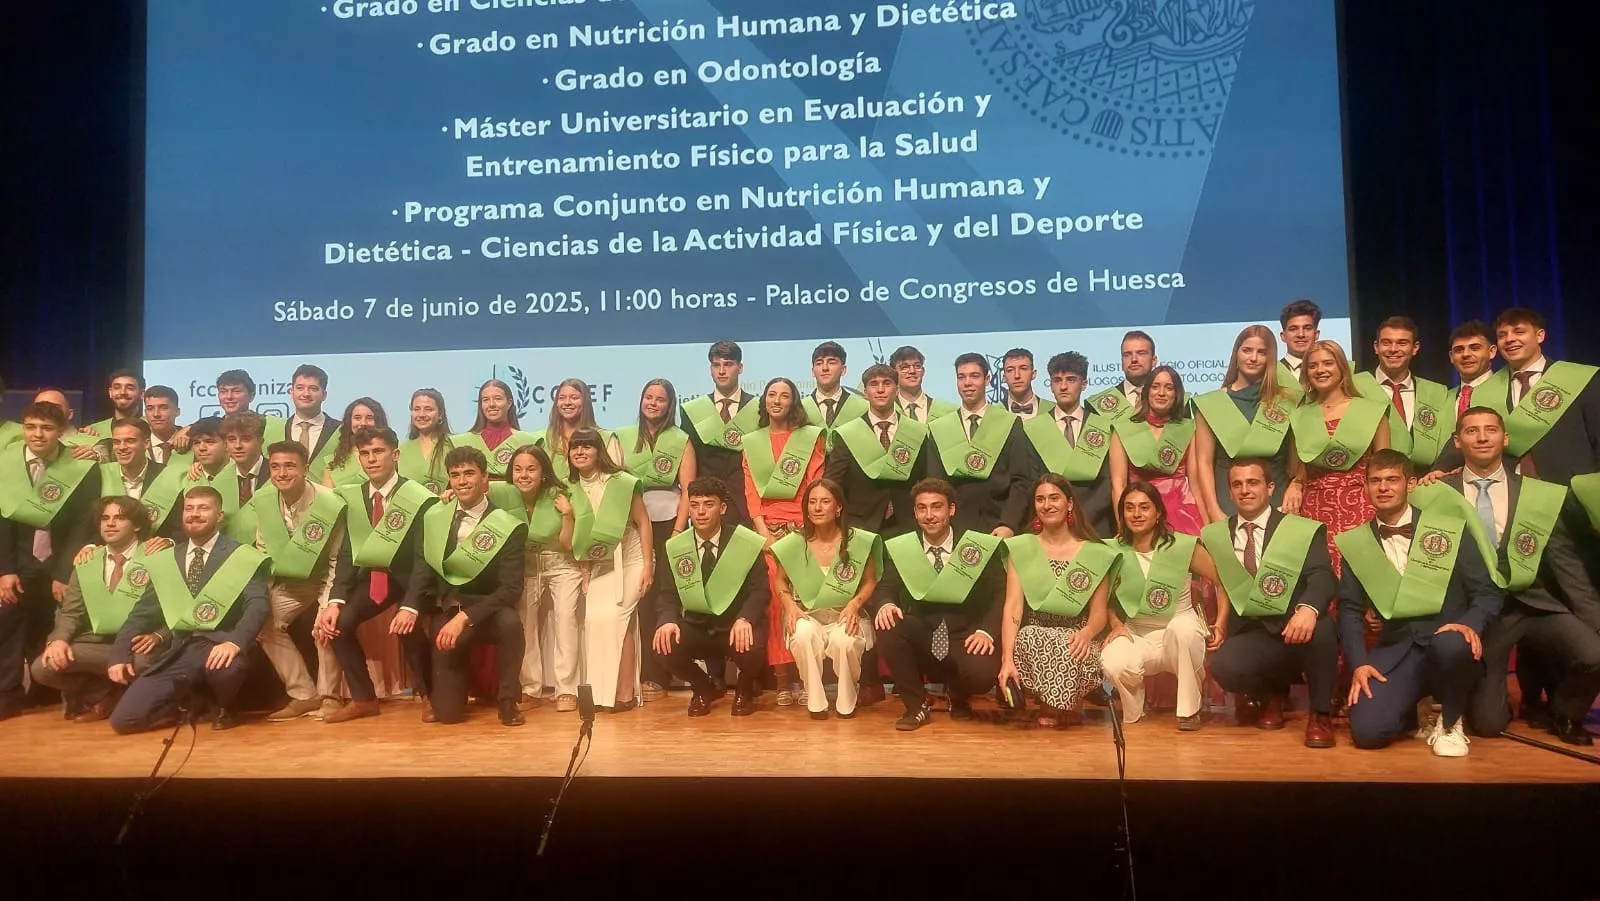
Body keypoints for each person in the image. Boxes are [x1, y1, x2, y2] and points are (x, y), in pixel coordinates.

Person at [1413, 408, 1600, 745]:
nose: (1482, 437)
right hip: (1483, 613)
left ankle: (1565, 712)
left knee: (1594, 651)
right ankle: (1481, 699)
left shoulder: (1535, 494)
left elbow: (1565, 563)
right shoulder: (1437, 493)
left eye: (1490, 430)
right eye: (1472, 431)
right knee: (1488, 724)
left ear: (1505, 438)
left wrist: (1595, 618)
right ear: (1458, 441)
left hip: (1534, 603)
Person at [1336, 450, 1504, 755]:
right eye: (1375, 481)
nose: (1383, 487)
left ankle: (1451, 723)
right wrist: (1359, 664)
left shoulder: (1448, 529)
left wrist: (1468, 625)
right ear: (1365, 488)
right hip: (1400, 650)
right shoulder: (1356, 543)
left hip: (1451, 648)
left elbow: (1487, 593)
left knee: (1455, 653)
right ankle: (1412, 707)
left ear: (1410, 484)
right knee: (1368, 734)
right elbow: (1348, 609)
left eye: (1392, 480)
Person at [106, 486, 270, 733]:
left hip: (220, 643)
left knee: (226, 671)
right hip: (180, 648)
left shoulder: (241, 555)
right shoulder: (166, 559)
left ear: (220, 515)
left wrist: (235, 643)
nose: (194, 514)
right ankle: (196, 703)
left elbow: (258, 604)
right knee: (123, 721)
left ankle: (225, 705)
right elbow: (142, 612)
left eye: (204, 508)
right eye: (189, 509)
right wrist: (119, 655)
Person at [1201, 458, 1339, 747]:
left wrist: (1308, 609)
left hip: (1298, 625)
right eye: (1237, 484)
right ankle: (1271, 694)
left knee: (1323, 628)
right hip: (1255, 631)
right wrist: (1219, 624)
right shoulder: (1215, 535)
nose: (1245, 490)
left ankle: (1320, 715)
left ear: (1270, 487)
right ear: (1229, 491)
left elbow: (1324, 576)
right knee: (1224, 666)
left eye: (1253, 482)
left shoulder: (1300, 528)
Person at [318, 427, 440, 723]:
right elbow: (348, 554)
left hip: (413, 578)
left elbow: (424, 559)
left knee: (407, 627)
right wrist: (334, 601)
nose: (371, 459)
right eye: (365, 453)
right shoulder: (355, 497)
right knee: (338, 624)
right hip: (374, 579)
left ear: (395, 454)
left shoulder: (417, 497)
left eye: (378, 451)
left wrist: (411, 605)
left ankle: (430, 697)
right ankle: (364, 699)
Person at [875, 478, 1005, 730]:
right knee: (888, 624)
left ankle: (958, 696)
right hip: (923, 635)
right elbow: (884, 588)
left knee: (983, 671)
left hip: (965, 636)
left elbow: (1002, 592)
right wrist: (885, 604)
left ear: (951, 509)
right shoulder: (905, 548)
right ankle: (916, 706)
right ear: (914, 512)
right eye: (922, 508)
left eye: (937, 507)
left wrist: (986, 630)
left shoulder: (975, 547)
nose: (929, 515)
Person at [409, 446, 527, 726]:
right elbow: (422, 569)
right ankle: (456, 691)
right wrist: (409, 606)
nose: (462, 481)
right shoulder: (435, 518)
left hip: (488, 610)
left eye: (469, 474)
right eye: (455, 475)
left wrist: (467, 617)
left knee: (512, 624)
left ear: (485, 478)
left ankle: (508, 700)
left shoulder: (508, 526)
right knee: (448, 716)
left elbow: (511, 589)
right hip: (449, 610)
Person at [0, 401, 103, 719]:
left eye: (46, 428)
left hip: (61, 559)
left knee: (52, 627)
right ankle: (8, 694)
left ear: (61, 433)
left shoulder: (80, 466)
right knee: (10, 625)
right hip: (19, 560)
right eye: (30, 427)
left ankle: (46, 694)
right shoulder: (5, 463)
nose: (37, 434)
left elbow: (83, 524)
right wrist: (5, 570)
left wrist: (63, 571)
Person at [1102, 483, 1229, 731]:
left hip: (1179, 627)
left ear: (1158, 512)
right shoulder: (1112, 550)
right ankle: (1134, 711)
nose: (1136, 514)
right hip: (1137, 632)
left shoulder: (1183, 546)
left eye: (1144, 507)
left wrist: (1221, 624)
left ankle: (1189, 711)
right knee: (1112, 660)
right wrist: (1116, 624)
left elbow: (1223, 582)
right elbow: (1103, 597)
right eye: (1129, 508)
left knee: (1183, 632)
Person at [994, 475, 1117, 728]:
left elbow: (1098, 614)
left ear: (1069, 504)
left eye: (1054, 498)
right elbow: (1013, 606)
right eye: (1040, 499)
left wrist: (1086, 633)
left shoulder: (1095, 552)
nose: (1046, 505)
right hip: (1035, 636)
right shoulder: (1022, 548)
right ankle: (1060, 704)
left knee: (1068, 643)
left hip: (1079, 637)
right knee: (1031, 636)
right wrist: (1007, 659)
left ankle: (1059, 703)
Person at [29, 496, 155, 723]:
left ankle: (127, 698)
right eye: (105, 518)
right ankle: (107, 693)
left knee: (145, 663)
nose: (110, 523)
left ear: (136, 525)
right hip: (96, 643)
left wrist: (159, 635)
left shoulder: (155, 556)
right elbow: (71, 611)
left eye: (120, 518)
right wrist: (58, 640)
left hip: (136, 644)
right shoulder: (87, 561)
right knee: (43, 668)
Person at [249, 441, 349, 722]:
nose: (282, 473)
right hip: (291, 581)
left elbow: (335, 561)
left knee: (324, 625)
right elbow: (263, 551)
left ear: (306, 468)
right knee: (262, 623)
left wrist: (328, 604)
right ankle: (304, 695)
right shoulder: (265, 500)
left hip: (327, 578)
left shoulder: (329, 502)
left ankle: (330, 695)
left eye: (290, 466)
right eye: (275, 466)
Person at [653, 477, 769, 716]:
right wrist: (668, 620)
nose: (701, 512)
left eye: (708, 504)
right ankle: (703, 687)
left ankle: (744, 689)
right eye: (694, 505)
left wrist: (745, 618)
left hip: (734, 625)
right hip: (698, 625)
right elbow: (667, 594)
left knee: (754, 643)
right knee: (663, 644)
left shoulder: (745, 542)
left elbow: (760, 591)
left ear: (722, 508)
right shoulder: (675, 547)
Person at [741, 377, 825, 704]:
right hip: (768, 532)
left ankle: (807, 678)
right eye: (772, 395)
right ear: (764, 401)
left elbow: (815, 485)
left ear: (794, 402)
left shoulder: (809, 439)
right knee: (778, 603)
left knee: (803, 601)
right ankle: (782, 681)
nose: (777, 400)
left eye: (785, 395)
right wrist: (762, 532)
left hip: (804, 529)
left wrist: (806, 528)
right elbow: (751, 491)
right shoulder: (752, 441)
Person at [770, 479, 880, 719]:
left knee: (845, 641)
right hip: (807, 613)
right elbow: (779, 580)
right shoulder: (794, 543)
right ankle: (816, 700)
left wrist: (854, 603)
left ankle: (847, 697)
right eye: (812, 502)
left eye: (825, 501)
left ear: (838, 507)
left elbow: (870, 580)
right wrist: (789, 605)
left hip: (845, 613)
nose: (817, 508)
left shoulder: (858, 542)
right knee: (802, 634)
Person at [615, 379, 696, 703]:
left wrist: (679, 529)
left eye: (660, 399)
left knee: (662, 596)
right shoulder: (620, 436)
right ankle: (634, 673)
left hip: (668, 525)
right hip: (631, 524)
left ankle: (659, 673)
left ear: (670, 404)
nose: (653, 403)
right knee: (638, 599)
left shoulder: (681, 440)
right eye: (648, 397)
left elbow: (688, 490)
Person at [1284, 340, 1391, 573]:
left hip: (1361, 504)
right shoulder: (1300, 416)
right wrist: (1295, 483)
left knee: (1362, 575)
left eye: (1327, 363)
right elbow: (1299, 468)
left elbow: (1385, 467)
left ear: (1342, 367)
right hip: (1314, 508)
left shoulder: (1371, 411)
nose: (1320, 370)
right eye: (1313, 366)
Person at [491, 444, 580, 712]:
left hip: (561, 565)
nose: (523, 475)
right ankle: (530, 688)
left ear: (543, 472)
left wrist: (567, 514)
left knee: (566, 620)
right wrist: (448, 493)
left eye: (531, 469)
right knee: (524, 626)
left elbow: (567, 544)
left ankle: (567, 690)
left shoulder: (560, 494)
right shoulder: (503, 494)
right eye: (517, 469)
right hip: (525, 568)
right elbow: (473, 486)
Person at [567, 427, 651, 711]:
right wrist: (585, 568)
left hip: (631, 559)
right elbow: (575, 538)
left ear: (598, 450)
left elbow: (643, 522)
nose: (580, 451)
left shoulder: (621, 482)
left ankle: (624, 694)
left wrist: (649, 565)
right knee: (595, 623)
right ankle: (602, 696)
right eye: (575, 447)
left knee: (618, 618)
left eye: (586, 446)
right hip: (599, 565)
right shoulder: (570, 489)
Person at [926, 353, 1038, 537]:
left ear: (987, 379)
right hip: (953, 529)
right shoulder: (939, 428)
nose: (967, 383)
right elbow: (934, 485)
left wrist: (1008, 524)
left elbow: (1022, 480)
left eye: (974, 376)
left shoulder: (1009, 423)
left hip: (1000, 527)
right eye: (961, 377)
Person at [1192, 325, 1296, 521]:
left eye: (1261, 352)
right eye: (1247, 350)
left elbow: (1295, 461)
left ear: (1270, 358)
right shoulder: (1211, 403)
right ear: (1236, 354)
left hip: (1278, 501)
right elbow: (1203, 464)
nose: (1253, 358)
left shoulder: (1285, 401)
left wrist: (1297, 485)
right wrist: (1213, 510)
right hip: (1227, 502)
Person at [1018, 351, 1117, 536]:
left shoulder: (1101, 426)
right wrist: (1058, 517)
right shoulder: (1034, 429)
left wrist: (1081, 517)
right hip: (1051, 525)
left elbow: (1108, 481)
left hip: (1096, 525)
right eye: (1057, 380)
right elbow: (1032, 479)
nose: (1063, 386)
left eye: (1071, 380)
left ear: (1084, 384)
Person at [1110, 365, 1203, 536]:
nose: (1161, 393)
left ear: (1177, 395)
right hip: (1140, 514)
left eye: (1169, 388)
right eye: (1155, 386)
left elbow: (1196, 484)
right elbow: (1119, 486)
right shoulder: (1123, 430)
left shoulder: (1188, 429)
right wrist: (1122, 528)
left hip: (1183, 514)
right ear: (1146, 392)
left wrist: (1207, 525)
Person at [1353, 317, 1452, 469]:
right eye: (1386, 342)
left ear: (1415, 348)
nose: (1393, 349)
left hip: (1427, 480)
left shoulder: (1437, 392)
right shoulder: (1355, 386)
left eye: (1402, 343)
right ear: (1376, 347)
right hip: (1374, 480)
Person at [680, 341, 759, 526]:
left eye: (728, 364)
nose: (721, 371)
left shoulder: (758, 408)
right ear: (711, 369)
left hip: (746, 505)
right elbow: (688, 464)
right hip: (705, 505)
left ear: (740, 368)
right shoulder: (693, 411)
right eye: (716, 365)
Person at [102, 419, 184, 536]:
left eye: (130, 441)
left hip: (156, 551)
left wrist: (169, 542)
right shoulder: (101, 474)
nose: (122, 447)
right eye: (116, 442)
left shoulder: (168, 476)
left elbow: (179, 527)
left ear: (146, 443)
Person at [452, 379, 539, 479]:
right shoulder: (460, 442)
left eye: (498, 399)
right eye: (485, 400)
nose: (491, 404)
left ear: (509, 403)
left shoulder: (527, 441)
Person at [214, 411, 270, 544]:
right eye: (232, 439)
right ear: (226, 444)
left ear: (260, 442)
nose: (238, 446)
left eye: (245, 439)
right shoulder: (219, 481)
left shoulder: (277, 475)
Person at [539, 378, 621, 465]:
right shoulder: (543, 440)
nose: (567, 402)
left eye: (574, 398)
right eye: (562, 398)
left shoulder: (606, 438)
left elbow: (615, 476)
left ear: (585, 402)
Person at [1084, 330, 1159, 425]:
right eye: (1127, 355)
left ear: (1154, 360)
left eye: (1141, 353)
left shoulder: (1174, 399)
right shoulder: (1097, 406)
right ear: (1122, 361)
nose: (1134, 359)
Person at [802, 341, 869, 443]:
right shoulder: (800, 408)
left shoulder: (863, 407)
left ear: (843, 370)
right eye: (819, 363)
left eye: (831, 362)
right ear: (813, 371)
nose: (825, 368)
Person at [286, 364, 342, 480]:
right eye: (300, 388)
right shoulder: (279, 428)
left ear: (324, 395)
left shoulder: (341, 430)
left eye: (313, 389)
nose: (306, 394)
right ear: (292, 392)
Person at [319, 396, 386, 488]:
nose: (363, 423)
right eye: (357, 418)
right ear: (349, 422)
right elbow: (328, 500)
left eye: (369, 418)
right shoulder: (333, 462)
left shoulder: (390, 456)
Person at [401, 388, 453, 494]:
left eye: (428, 409)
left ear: (440, 414)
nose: (421, 414)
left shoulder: (454, 445)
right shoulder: (400, 449)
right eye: (416, 409)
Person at [35, 388, 107, 461]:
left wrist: (97, 456)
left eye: (55, 407)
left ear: (70, 414)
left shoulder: (93, 443)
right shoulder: (25, 438)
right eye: (39, 407)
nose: (46, 412)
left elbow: (106, 460)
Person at [890, 345, 957, 422]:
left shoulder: (948, 412)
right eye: (905, 367)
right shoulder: (885, 411)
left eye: (917, 366)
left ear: (923, 371)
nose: (912, 371)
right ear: (894, 373)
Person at [1446, 320, 1498, 417]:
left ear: (1491, 352)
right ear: (1451, 357)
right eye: (1459, 350)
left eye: (1475, 348)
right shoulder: (1444, 398)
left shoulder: (1509, 391)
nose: (1466, 354)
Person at [1278, 299, 1322, 396]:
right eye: (1293, 329)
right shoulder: (1270, 373)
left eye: (1307, 328)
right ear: (1283, 336)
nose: (1301, 334)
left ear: (1316, 334)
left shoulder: (1332, 373)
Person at [83, 369, 144, 438]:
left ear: (141, 394)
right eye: (117, 388)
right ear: (110, 393)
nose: (122, 392)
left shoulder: (153, 428)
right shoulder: (93, 431)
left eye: (130, 388)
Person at [142, 385, 188, 465]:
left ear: (177, 411)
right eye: (150, 409)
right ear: (145, 413)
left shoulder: (192, 441)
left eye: (163, 408)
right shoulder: (138, 444)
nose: (156, 414)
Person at [999, 348, 1045, 420]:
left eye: (1023, 368)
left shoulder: (1052, 410)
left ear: (1033, 374)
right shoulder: (992, 413)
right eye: (1010, 370)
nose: (1017, 375)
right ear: (1004, 377)